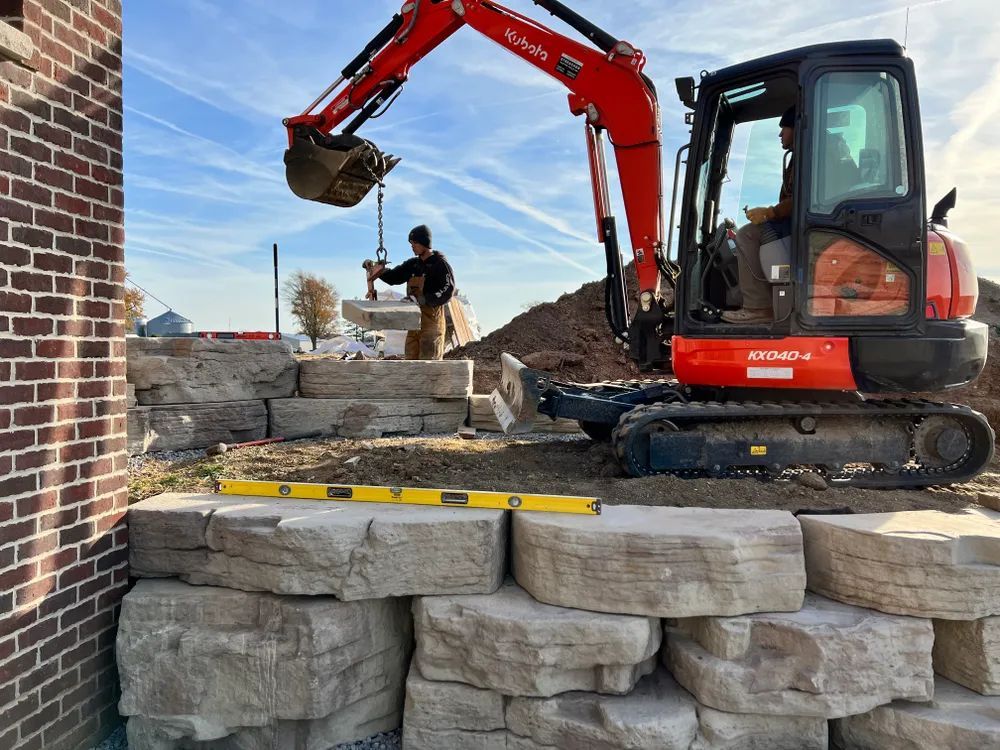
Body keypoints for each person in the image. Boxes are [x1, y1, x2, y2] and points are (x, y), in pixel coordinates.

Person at [722, 106, 796, 324]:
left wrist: (770, 213)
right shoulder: (804, 156)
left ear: (798, 127)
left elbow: (804, 199)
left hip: (805, 226)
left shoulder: (813, 155)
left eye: (785, 128)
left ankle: (757, 307)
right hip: (798, 224)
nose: (780, 133)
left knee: (746, 235)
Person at [370, 224, 456, 360]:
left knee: (429, 363)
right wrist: (379, 270)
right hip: (414, 324)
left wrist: (425, 299)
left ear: (424, 242)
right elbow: (394, 277)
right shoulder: (413, 265)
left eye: (415, 243)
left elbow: (448, 290)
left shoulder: (439, 265)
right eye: (411, 243)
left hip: (431, 325)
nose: (412, 246)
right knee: (411, 363)